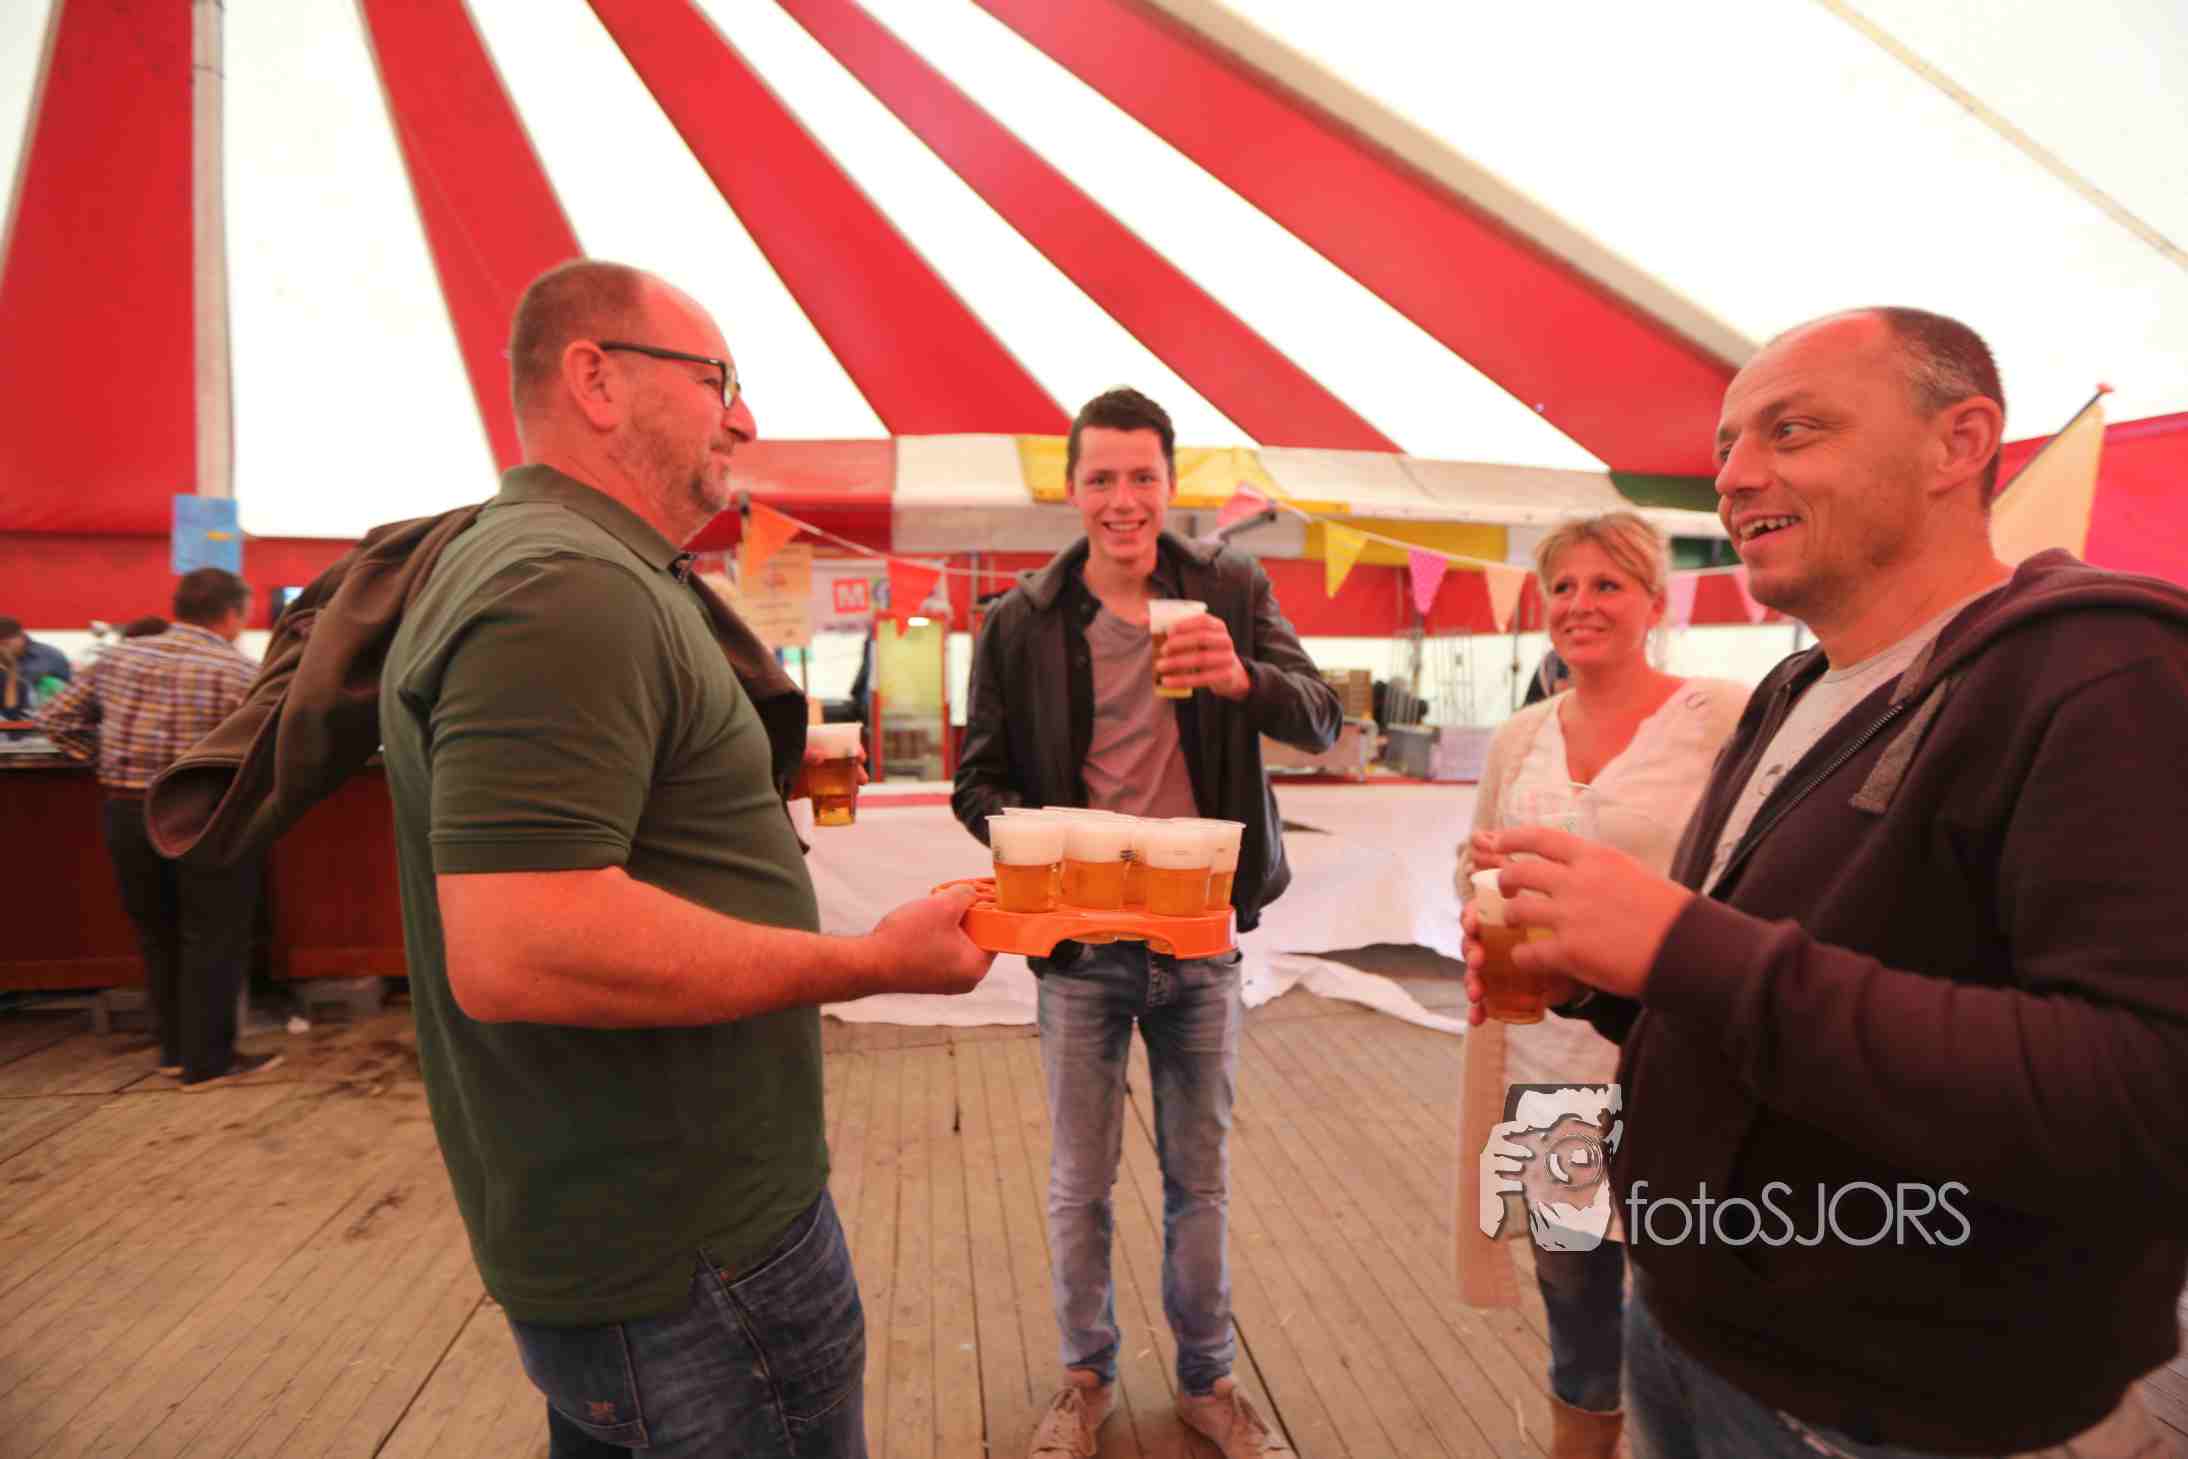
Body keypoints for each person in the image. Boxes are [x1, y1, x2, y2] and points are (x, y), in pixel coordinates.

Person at [1463, 308, 2188, 1457]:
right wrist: (1603, 979)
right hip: (1687, 1329)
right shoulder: (1793, 694)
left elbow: (2141, 1091)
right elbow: (1770, 998)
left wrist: (1678, 945)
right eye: (1726, 448)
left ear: (1959, 442)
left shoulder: (2102, 671)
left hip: (1905, 1412)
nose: (1735, 476)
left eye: (1791, 430)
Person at [377, 259, 995, 1459]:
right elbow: (519, 947)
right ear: (596, 381)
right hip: (693, 1259)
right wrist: (871, 962)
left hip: (650, 1238)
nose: (744, 418)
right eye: (717, 380)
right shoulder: (567, 588)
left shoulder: (559, 563)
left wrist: (740, 784)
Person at [953, 387, 1341, 1459]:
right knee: (1078, 1185)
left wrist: (1243, 676)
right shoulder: (1022, 621)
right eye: (1101, 478)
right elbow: (977, 779)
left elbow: (1321, 717)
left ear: (1171, 485)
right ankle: (1085, 1380)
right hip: (1080, 948)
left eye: (1141, 477)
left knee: (1197, 1180)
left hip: (1200, 940)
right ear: (1071, 489)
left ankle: (1208, 1382)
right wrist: (1036, 840)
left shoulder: (1230, 588)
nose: (1122, 499)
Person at [1453, 512, 1746, 1459]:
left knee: (1682, 1289)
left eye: (1607, 584)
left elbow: (1753, 869)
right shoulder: (1521, 736)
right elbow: (1473, 871)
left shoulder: (1720, 717)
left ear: (1655, 603)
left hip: (1672, 1058)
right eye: (1564, 587)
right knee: (1573, 1286)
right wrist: (1479, 878)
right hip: (1547, 1062)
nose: (1581, 604)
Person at [38, 569, 273, 1087]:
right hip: (205, 819)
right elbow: (265, 752)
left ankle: (173, 1053)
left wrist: (104, 758)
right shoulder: (239, 671)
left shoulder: (118, 658)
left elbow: (55, 720)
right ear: (232, 614)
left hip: (127, 810)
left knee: (157, 933)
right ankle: (208, 1062)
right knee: (213, 936)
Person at [0, 614, 73, 718]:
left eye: (5, 644)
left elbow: (23, 688)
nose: (2, 649)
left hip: (48, 716)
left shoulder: (47, 656)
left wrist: (10, 667)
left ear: (21, 637)